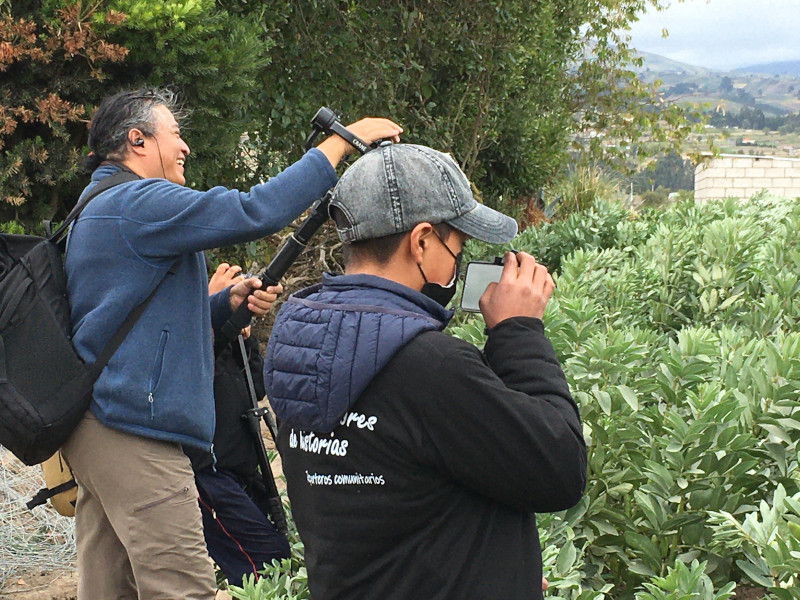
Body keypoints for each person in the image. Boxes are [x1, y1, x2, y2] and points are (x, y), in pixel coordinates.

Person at [61, 87, 401, 600]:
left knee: (111, 588)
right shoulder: (136, 202)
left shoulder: (100, 206)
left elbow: (135, 321)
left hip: (98, 426)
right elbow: (254, 210)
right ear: (137, 141)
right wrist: (339, 143)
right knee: (183, 588)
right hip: (133, 432)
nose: (184, 147)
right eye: (175, 134)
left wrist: (225, 304)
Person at [264, 143, 587, 600]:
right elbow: (560, 469)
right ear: (421, 242)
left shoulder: (297, 347)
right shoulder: (430, 366)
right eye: (457, 247)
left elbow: (397, 503)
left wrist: (498, 566)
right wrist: (518, 331)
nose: (458, 263)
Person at [187, 263, 290, 586]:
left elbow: (256, 388)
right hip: (207, 474)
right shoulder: (191, 337)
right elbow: (191, 380)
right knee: (265, 561)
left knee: (276, 555)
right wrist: (210, 312)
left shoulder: (233, 342)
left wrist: (243, 338)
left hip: (241, 471)